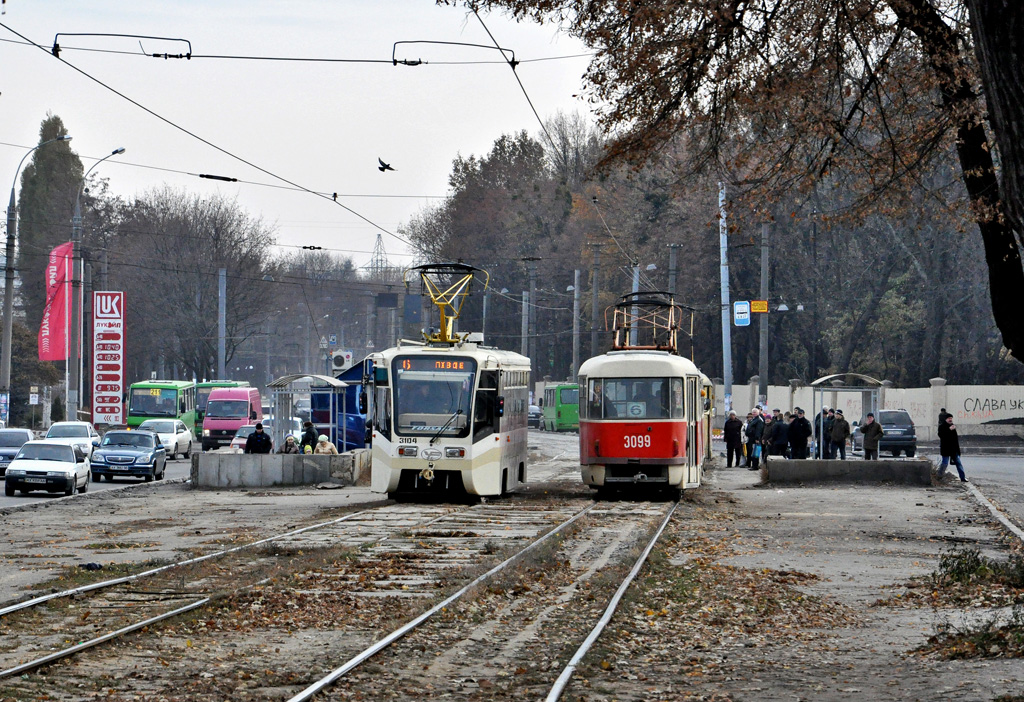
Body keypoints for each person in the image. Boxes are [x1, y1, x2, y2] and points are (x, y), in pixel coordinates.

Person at [937, 414, 967, 482]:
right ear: (945, 419)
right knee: (944, 463)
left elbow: (955, 439)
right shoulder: (942, 426)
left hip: (953, 449)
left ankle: (963, 478)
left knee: (958, 463)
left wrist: (958, 450)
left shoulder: (952, 426)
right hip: (946, 449)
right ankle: (939, 476)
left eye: (951, 418)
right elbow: (941, 435)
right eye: (949, 418)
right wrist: (949, 429)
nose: (950, 419)